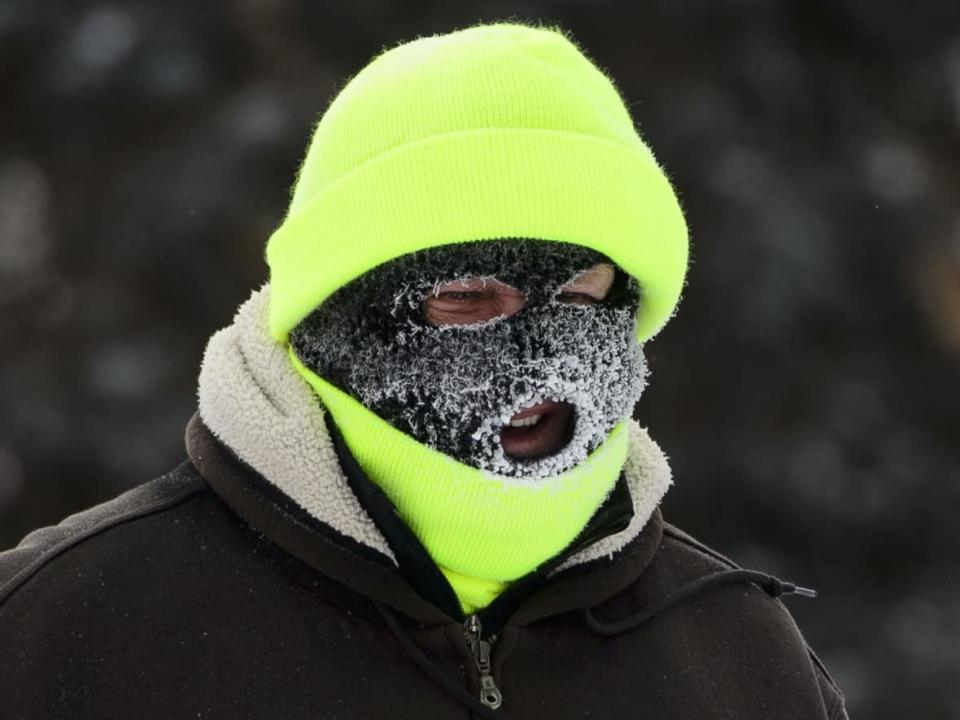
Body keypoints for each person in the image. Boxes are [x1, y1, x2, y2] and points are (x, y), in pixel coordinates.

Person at [0, 21, 848, 720]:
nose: (541, 358)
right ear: (337, 311)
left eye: (582, 299)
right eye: (469, 298)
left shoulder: (743, 660)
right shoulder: (65, 629)